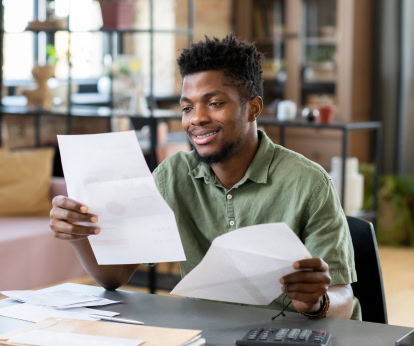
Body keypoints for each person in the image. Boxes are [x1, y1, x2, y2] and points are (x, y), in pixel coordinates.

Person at [50, 35, 360, 320]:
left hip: (291, 336)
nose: (196, 118)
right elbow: (114, 277)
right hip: (205, 335)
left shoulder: (309, 183)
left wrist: (317, 303)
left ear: (253, 108)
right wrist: (79, 234)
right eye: (187, 107)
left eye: (214, 103)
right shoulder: (171, 176)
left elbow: (343, 296)